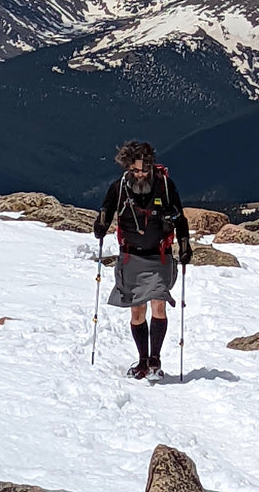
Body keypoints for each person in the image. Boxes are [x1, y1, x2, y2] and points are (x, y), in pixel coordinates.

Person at [93, 140, 192, 381]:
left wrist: (185, 245)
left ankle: (154, 361)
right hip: (131, 256)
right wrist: (101, 226)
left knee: (158, 303)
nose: (139, 174)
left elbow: (180, 218)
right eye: (135, 170)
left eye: (143, 170)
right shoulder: (119, 188)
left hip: (159, 255)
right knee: (137, 310)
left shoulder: (165, 186)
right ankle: (143, 361)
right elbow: (106, 211)